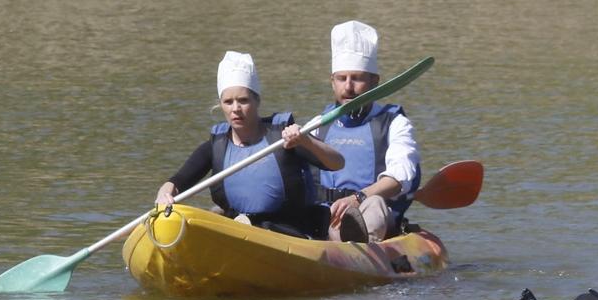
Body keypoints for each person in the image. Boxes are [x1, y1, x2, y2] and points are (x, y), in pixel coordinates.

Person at [155, 51, 343, 238]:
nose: (235, 108)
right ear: (221, 105)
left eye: (243, 100)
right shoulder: (216, 146)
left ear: (257, 101)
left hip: (289, 230)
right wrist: (165, 194)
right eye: (228, 102)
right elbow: (177, 181)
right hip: (238, 229)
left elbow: (336, 163)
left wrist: (306, 141)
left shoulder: (282, 137)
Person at [315, 21, 420, 243]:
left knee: (375, 204)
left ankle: (357, 244)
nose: (349, 87)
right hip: (327, 216)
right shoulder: (317, 125)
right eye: (341, 78)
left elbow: (399, 179)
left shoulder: (394, 123)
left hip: (373, 213)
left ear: (375, 82)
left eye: (358, 78)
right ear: (332, 82)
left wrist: (357, 198)